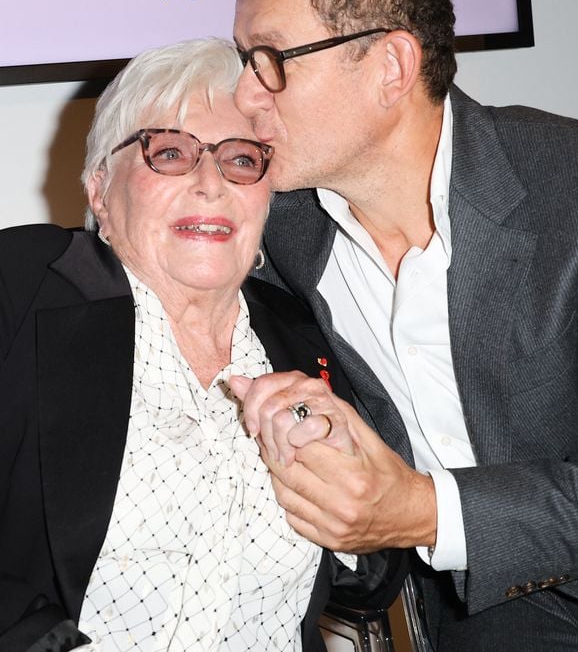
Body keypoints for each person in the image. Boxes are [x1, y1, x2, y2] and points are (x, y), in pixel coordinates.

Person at [230, 0, 578, 651]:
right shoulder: (286, 225)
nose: (246, 94)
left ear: (390, 67)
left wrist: (421, 510)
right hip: (471, 617)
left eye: (272, 59)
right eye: (243, 60)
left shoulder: (569, 192)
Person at [0, 38, 402, 652]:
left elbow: (372, 581)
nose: (211, 183)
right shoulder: (22, 287)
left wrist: (345, 480)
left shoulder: (304, 332)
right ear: (100, 190)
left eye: (241, 159)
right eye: (169, 152)